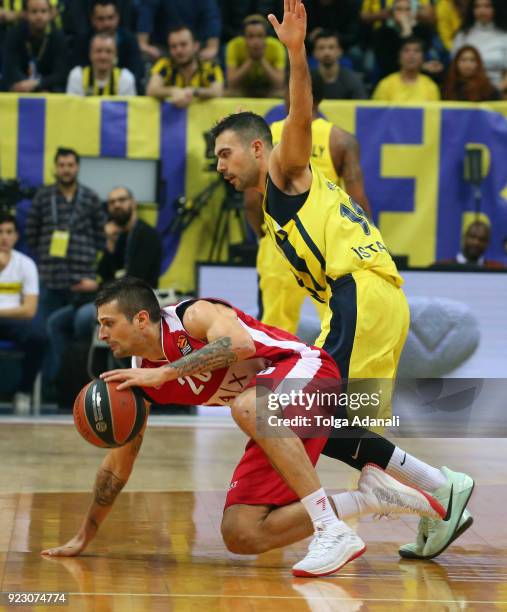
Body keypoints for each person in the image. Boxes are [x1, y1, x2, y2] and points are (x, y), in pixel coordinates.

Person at [211, 0, 474, 564]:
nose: (220, 167)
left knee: (314, 417)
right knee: (336, 425)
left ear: (259, 147)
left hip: (360, 293)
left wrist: (297, 55)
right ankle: (437, 496)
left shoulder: (284, 168)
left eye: (225, 154)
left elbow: (299, 117)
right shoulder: (275, 198)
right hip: (369, 299)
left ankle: (412, 496)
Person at [40, 276, 446, 574]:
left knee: (247, 407)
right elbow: (117, 466)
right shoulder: (138, 381)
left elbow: (241, 346)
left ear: (141, 319)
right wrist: (85, 535)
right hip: (270, 409)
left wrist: (164, 375)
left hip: (308, 369)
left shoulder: (192, 316)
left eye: (108, 323)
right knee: (241, 533)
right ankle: (368, 499)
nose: (102, 333)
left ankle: (331, 530)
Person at [246, 72, 371, 335]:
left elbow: (251, 200)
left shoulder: (266, 137)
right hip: (325, 243)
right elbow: (357, 199)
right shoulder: (340, 139)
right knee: (339, 327)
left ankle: (275, 377)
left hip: (280, 240)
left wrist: (263, 234)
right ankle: (335, 376)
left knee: (274, 332)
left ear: (287, 93)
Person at [25, 148, 106, 383]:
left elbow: (100, 235)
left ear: (77, 167)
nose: (66, 169)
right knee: (45, 334)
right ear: (55, 168)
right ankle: (50, 387)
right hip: (50, 278)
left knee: (80, 333)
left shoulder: (90, 197)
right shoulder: (43, 196)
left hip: (83, 279)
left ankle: (73, 385)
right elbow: (31, 232)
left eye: (70, 165)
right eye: (61, 165)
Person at [0, 212, 46, 415]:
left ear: (16, 236)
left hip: (15, 322)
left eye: (9, 232)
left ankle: (24, 392)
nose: (4, 237)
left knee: (39, 337)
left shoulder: (26, 264)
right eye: (0, 232)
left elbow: (29, 310)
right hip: (12, 315)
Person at [70, 0, 143, 91]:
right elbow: (78, 68)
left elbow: (136, 72)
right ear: (93, 20)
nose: (106, 23)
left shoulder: (129, 40)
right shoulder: (83, 41)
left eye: (110, 18)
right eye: (101, 19)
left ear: (118, 17)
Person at [147, 26, 224, 107]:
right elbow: (152, 89)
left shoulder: (210, 67)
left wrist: (193, 91)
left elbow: (217, 92)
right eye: (173, 46)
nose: (178, 50)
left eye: (183, 44)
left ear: (195, 46)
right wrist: (173, 91)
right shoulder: (165, 65)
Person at [1, 0, 67, 92]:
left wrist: (37, 84)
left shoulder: (58, 38)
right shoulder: (14, 35)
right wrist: (25, 84)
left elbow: (60, 74)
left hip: (47, 90)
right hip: (20, 88)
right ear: (25, 14)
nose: (39, 16)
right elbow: (10, 67)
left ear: (50, 14)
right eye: (34, 12)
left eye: (43, 11)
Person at [136, 0, 221, 63]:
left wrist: (212, 47)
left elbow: (211, 17)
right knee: (145, 56)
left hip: (194, 46)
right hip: (164, 46)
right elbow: (146, 12)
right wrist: (143, 44)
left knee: (213, 59)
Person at [452, 0, 507, 91]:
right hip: (465, 91)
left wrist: (496, 91)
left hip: (498, 92)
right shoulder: (462, 36)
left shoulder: (504, 36)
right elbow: (454, 69)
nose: (482, 11)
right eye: (478, 6)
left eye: (487, 6)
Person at [225, 14, 286, 98]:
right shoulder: (234, 46)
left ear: (266, 37)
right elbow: (231, 83)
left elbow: (279, 84)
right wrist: (250, 59)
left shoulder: (276, 46)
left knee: (282, 94)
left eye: (260, 36)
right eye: (251, 36)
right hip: (243, 89)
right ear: (244, 38)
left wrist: (261, 59)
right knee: (228, 93)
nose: (256, 41)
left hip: (268, 90)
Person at [66, 32, 136, 96]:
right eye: (98, 51)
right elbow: (73, 108)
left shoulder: (125, 78)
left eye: (108, 51)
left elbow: (128, 109)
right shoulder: (78, 76)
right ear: (90, 54)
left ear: (115, 55)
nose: (103, 57)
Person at [372, 37, 441, 101]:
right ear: (399, 57)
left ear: (422, 58)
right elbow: (377, 113)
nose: (411, 55)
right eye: (406, 50)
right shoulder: (385, 85)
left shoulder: (431, 87)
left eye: (416, 51)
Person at [310, 30, 367, 100]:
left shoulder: (352, 80)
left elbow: (360, 107)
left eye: (331, 47)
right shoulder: (306, 81)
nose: (326, 52)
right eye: (321, 48)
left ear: (340, 51)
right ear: (314, 53)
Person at [435, 220, 505, 268]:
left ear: (488, 244)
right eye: (472, 237)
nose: (476, 242)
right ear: (464, 237)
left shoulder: (497, 269)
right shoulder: (442, 267)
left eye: (482, 239)